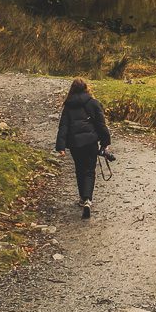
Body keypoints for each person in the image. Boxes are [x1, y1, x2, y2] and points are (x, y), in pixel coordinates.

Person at [55, 79, 111, 219]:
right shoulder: (93, 103)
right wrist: (105, 142)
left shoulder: (68, 106)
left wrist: (60, 146)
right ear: (86, 88)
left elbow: (63, 127)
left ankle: (82, 198)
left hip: (75, 144)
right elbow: (101, 124)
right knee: (89, 171)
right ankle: (87, 199)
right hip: (91, 142)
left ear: (72, 89)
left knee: (80, 169)